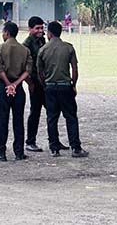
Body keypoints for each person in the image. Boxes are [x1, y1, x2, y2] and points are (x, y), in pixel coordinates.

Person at [37, 21, 89, 157]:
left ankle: (54, 148)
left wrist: (45, 84)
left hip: (50, 87)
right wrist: (73, 84)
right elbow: (75, 69)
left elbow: (39, 71)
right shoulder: (68, 48)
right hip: (65, 87)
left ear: (49, 33)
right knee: (71, 117)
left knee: (52, 118)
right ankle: (75, 147)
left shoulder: (43, 50)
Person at [22, 16, 69, 153]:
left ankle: (54, 141)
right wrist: (30, 83)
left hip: (47, 83)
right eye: (37, 28)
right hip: (36, 83)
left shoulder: (42, 40)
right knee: (35, 112)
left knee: (52, 112)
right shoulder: (27, 45)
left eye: (42, 28)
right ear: (30, 29)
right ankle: (30, 141)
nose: (40, 31)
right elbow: (26, 67)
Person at [0, 21, 32, 161]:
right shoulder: (25, 50)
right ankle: (19, 152)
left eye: (3, 32)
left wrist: (8, 84)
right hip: (18, 89)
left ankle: (1, 151)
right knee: (18, 120)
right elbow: (28, 71)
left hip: (3, 87)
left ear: (7, 33)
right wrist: (15, 84)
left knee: (1, 120)